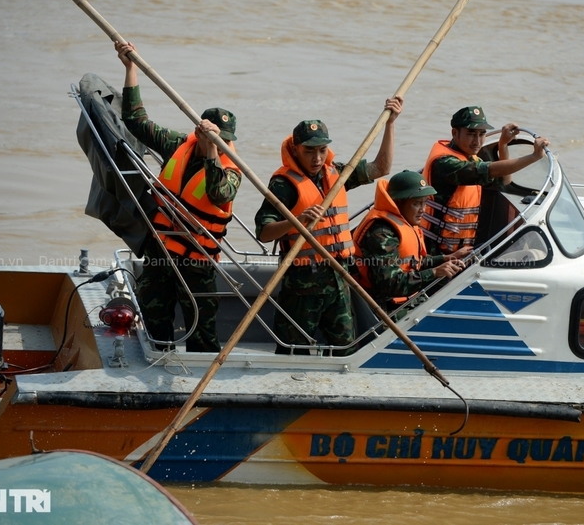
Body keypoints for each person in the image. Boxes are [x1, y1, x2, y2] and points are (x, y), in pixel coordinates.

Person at [115, 40, 242, 352]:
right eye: (212, 137)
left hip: (197, 265)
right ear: (197, 132)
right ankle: (161, 359)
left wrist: (213, 150)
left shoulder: (233, 170)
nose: (218, 143)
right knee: (155, 315)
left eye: (225, 140)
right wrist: (131, 69)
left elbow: (217, 192)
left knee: (202, 330)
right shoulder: (178, 144)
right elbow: (137, 122)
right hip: (162, 252)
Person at [255, 96, 404, 355]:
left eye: (321, 150)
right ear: (296, 149)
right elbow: (264, 232)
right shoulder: (284, 185)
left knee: (345, 348)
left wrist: (390, 124)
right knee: (293, 350)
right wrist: (297, 221)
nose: (316, 157)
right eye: (309, 151)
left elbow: (381, 167)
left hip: (338, 279)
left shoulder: (336, 174)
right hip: (302, 286)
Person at [421, 106, 550, 255]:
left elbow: (505, 180)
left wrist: (503, 145)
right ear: (455, 133)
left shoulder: (470, 158)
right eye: (471, 134)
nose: (477, 141)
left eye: (482, 134)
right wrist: (533, 157)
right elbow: (489, 170)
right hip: (434, 253)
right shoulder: (446, 164)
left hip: (458, 252)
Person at [353, 170, 472, 315]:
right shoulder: (382, 233)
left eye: (425, 203)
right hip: (386, 308)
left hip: (407, 299)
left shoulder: (404, 220)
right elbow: (390, 284)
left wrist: (445, 258)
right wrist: (434, 272)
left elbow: (411, 261)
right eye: (416, 204)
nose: (423, 210)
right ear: (398, 203)